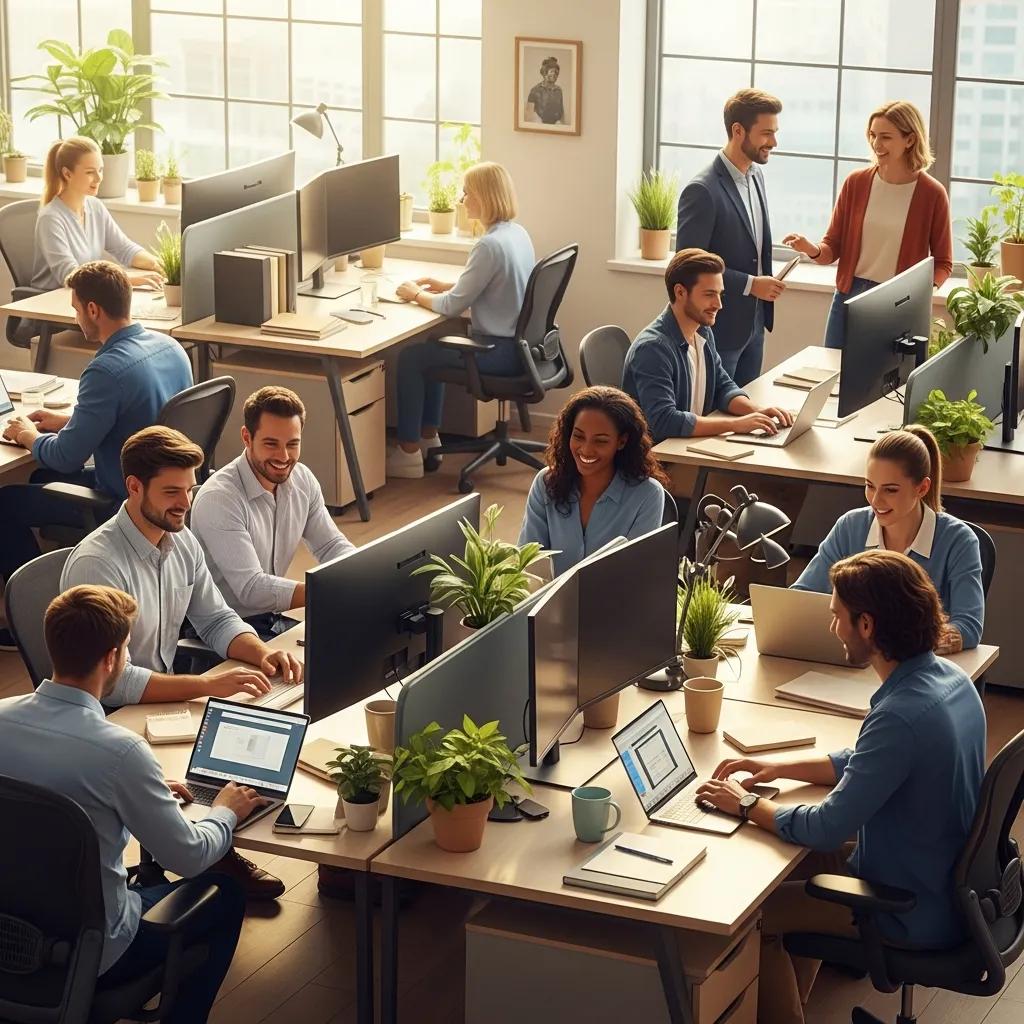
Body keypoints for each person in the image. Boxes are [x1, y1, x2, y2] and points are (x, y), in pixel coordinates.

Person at [697, 549, 986, 1024]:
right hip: (943, 880)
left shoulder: (898, 716)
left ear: (867, 625)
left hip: (905, 906)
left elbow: (828, 827)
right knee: (803, 867)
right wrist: (778, 766)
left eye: (836, 616)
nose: (832, 627)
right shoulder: (949, 682)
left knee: (754, 922)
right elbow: (868, 763)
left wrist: (746, 804)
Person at [0, 584, 260, 1022]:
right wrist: (226, 811)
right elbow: (191, 856)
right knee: (228, 892)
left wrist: (148, 789)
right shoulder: (119, 752)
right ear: (111, 659)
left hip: (12, 934)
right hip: (92, 953)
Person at [0, 261, 193, 645]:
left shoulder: (104, 369)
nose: (76, 317)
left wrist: (27, 436)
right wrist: (68, 418)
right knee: (39, 480)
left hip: (123, 497)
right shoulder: (168, 346)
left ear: (93, 309)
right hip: (163, 485)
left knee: (6, 503)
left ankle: (32, 620)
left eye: (75, 308)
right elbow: (133, 409)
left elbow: (67, 457)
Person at [388, 161, 535, 479]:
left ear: (483, 198)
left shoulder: (488, 245)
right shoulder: (516, 234)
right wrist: (447, 286)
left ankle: (408, 453)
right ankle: (429, 437)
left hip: (497, 353)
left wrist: (415, 294)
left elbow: (451, 307)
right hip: (521, 347)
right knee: (431, 345)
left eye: (467, 192)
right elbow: (493, 287)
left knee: (412, 358)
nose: (461, 199)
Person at [792, 426, 984, 652]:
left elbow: (969, 626)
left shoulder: (959, 541)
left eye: (890, 490)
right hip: (854, 664)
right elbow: (801, 598)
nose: (876, 500)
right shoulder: (850, 527)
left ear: (922, 488)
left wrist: (905, 644)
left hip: (917, 671)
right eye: (870, 486)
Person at [782, 100, 953, 350]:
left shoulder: (932, 193)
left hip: (900, 303)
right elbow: (832, 246)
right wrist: (812, 249)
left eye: (885, 137)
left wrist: (919, 292)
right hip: (850, 297)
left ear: (910, 140)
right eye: (872, 135)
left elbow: (943, 263)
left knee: (890, 382)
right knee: (834, 373)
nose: (876, 144)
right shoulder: (856, 183)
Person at [191, 386, 355, 633]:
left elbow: (330, 546)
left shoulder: (302, 479)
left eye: (293, 444)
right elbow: (251, 590)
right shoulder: (220, 498)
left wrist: (361, 571)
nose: (284, 456)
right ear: (247, 438)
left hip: (270, 619)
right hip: (223, 630)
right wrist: (330, 589)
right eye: (271, 444)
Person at [622, 248, 794, 444]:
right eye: (709, 294)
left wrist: (757, 411)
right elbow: (664, 421)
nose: (719, 304)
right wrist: (734, 425)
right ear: (680, 292)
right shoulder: (653, 349)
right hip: (662, 459)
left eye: (720, 294)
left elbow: (722, 386)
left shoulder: (702, 331)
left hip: (690, 446)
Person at [675, 90, 785, 386]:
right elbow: (687, 266)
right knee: (714, 414)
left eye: (774, 133)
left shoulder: (756, 176)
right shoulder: (702, 190)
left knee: (747, 409)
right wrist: (751, 285)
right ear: (738, 131)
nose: (773, 142)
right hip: (719, 327)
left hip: (755, 323)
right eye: (766, 133)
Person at [518, 385, 668, 576]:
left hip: (612, 604)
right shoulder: (546, 483)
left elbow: (633, 577)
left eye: (601, 441)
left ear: (621, 442)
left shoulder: (648, 495)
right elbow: (527, 565)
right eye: (579, 436)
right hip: (550, 602)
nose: (586, 450)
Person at [31, 136, 165, 292]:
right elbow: (71, 276)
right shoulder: (50, 218)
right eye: (90, 172)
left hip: (86, 300)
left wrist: (160, 265)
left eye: (100, 170)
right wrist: (128, 279)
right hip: (51, 305)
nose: (99, 178)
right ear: (67, 174)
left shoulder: (95, 206)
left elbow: (124, 249)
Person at [526, 56, 565, 125]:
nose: (554, 74)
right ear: (545, 73)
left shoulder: (559, 90)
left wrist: (562, 124)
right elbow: (529, 113)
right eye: (552, 71)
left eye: (556, 72)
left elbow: (561, 113)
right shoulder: (535, 90)